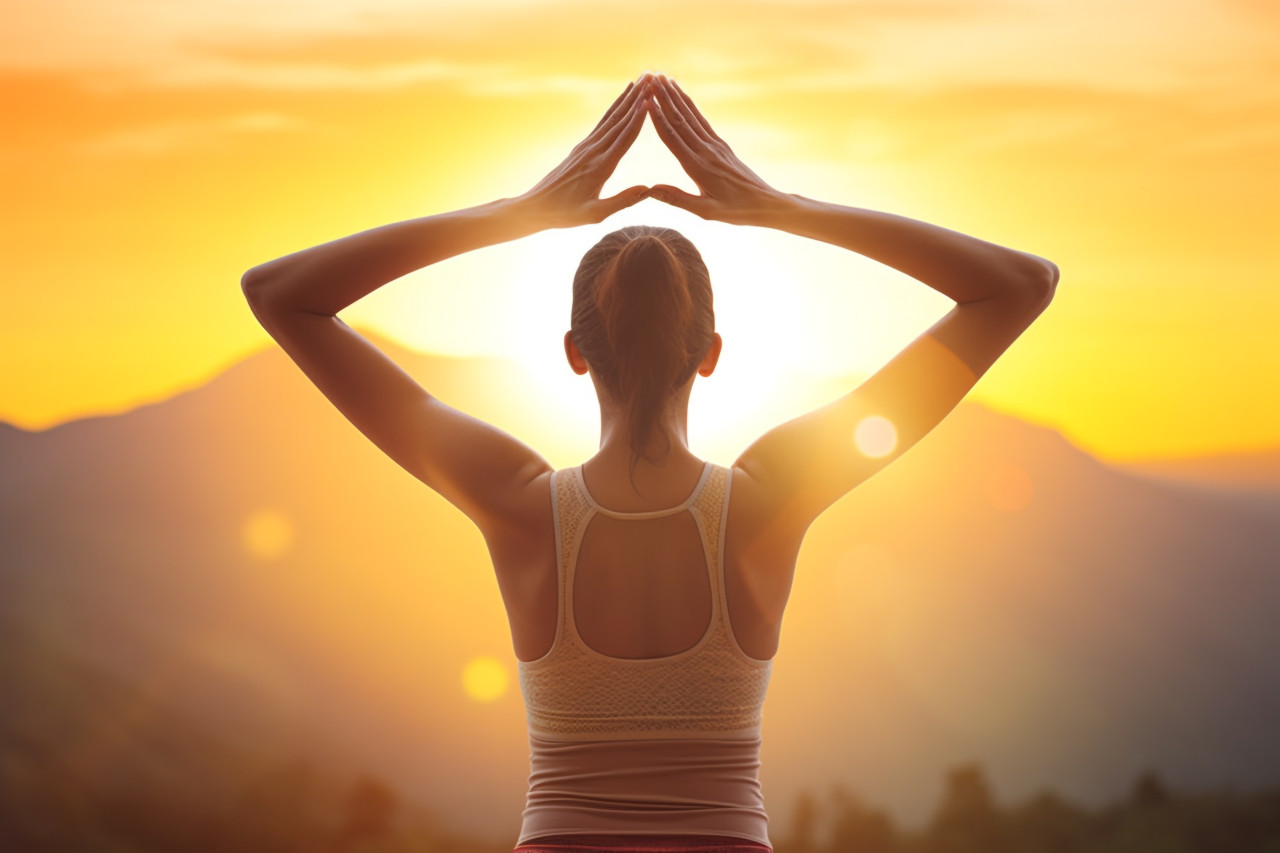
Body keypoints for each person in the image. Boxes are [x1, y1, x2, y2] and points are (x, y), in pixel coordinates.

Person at [241, 72, 1058, 853]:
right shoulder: (769, 497)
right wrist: (781, 207)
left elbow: (280, 293)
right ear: (708, 353)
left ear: (573, 352)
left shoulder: (517, 503)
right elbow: (1018, 285)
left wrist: (517, 213)